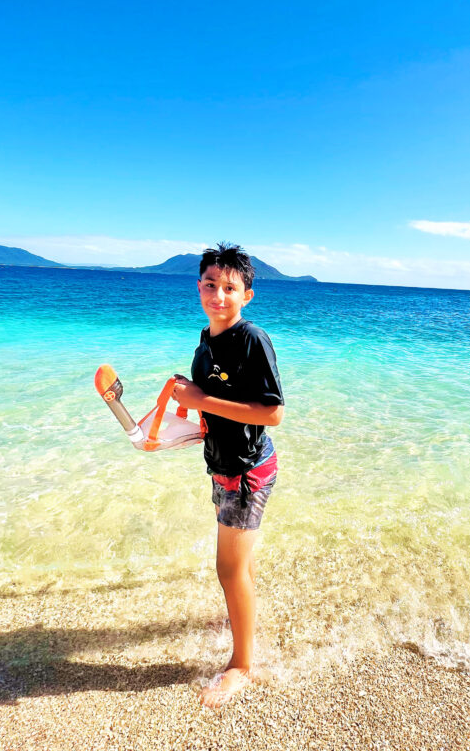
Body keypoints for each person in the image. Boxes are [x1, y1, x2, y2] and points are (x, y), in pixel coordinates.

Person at [171, 243, 284, 708]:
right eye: (211, 285)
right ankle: (245, 616)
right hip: (223, 465)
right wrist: (186, 416)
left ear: (247, 295)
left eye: (230, 288)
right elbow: (211, 401)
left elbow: (272, 413)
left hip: (247, 470)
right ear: (199, 286)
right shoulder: (205, 342)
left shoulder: (251, 339)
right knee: (242, 566)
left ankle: (241, 665)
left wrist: (204, 402)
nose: (219, 295)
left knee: (228, 568)